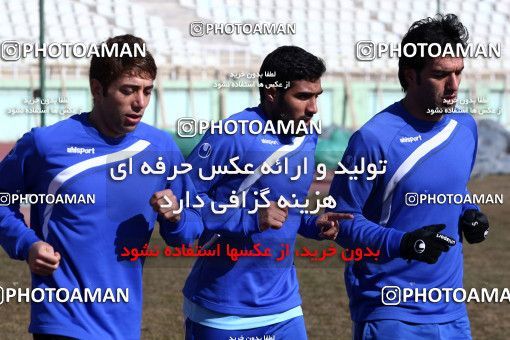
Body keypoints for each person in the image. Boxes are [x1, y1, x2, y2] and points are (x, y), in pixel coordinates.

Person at [0, 34, 202, 339]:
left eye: (148, 91)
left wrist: (175, 217)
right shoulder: (46, 144)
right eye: (129, 90)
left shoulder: (161, 148)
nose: (141, 102)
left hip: (123, 326)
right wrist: (26, 244)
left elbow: (189, 235)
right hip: (61, 322)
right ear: (98, 89)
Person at [327, 14, 489, 339]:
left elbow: (455, 188)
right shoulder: (372, 139)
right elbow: (339, 222)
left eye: (458, 72)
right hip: (391, 311)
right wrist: (403, 242)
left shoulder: (465, 127)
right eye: (441, 75)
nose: (454, 85)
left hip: (452, 310)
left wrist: (468, 211)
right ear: (410, 75)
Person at [181, 46, 353, 339]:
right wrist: (248, 218)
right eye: (303, 96)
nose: (313, 108)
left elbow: (290, 208)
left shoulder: (307, 137)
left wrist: (313, 224)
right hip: (223, 310)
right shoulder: (232, 133)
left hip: (284, 306)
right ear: (272, 93)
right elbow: (184, 199)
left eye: (316, 96)